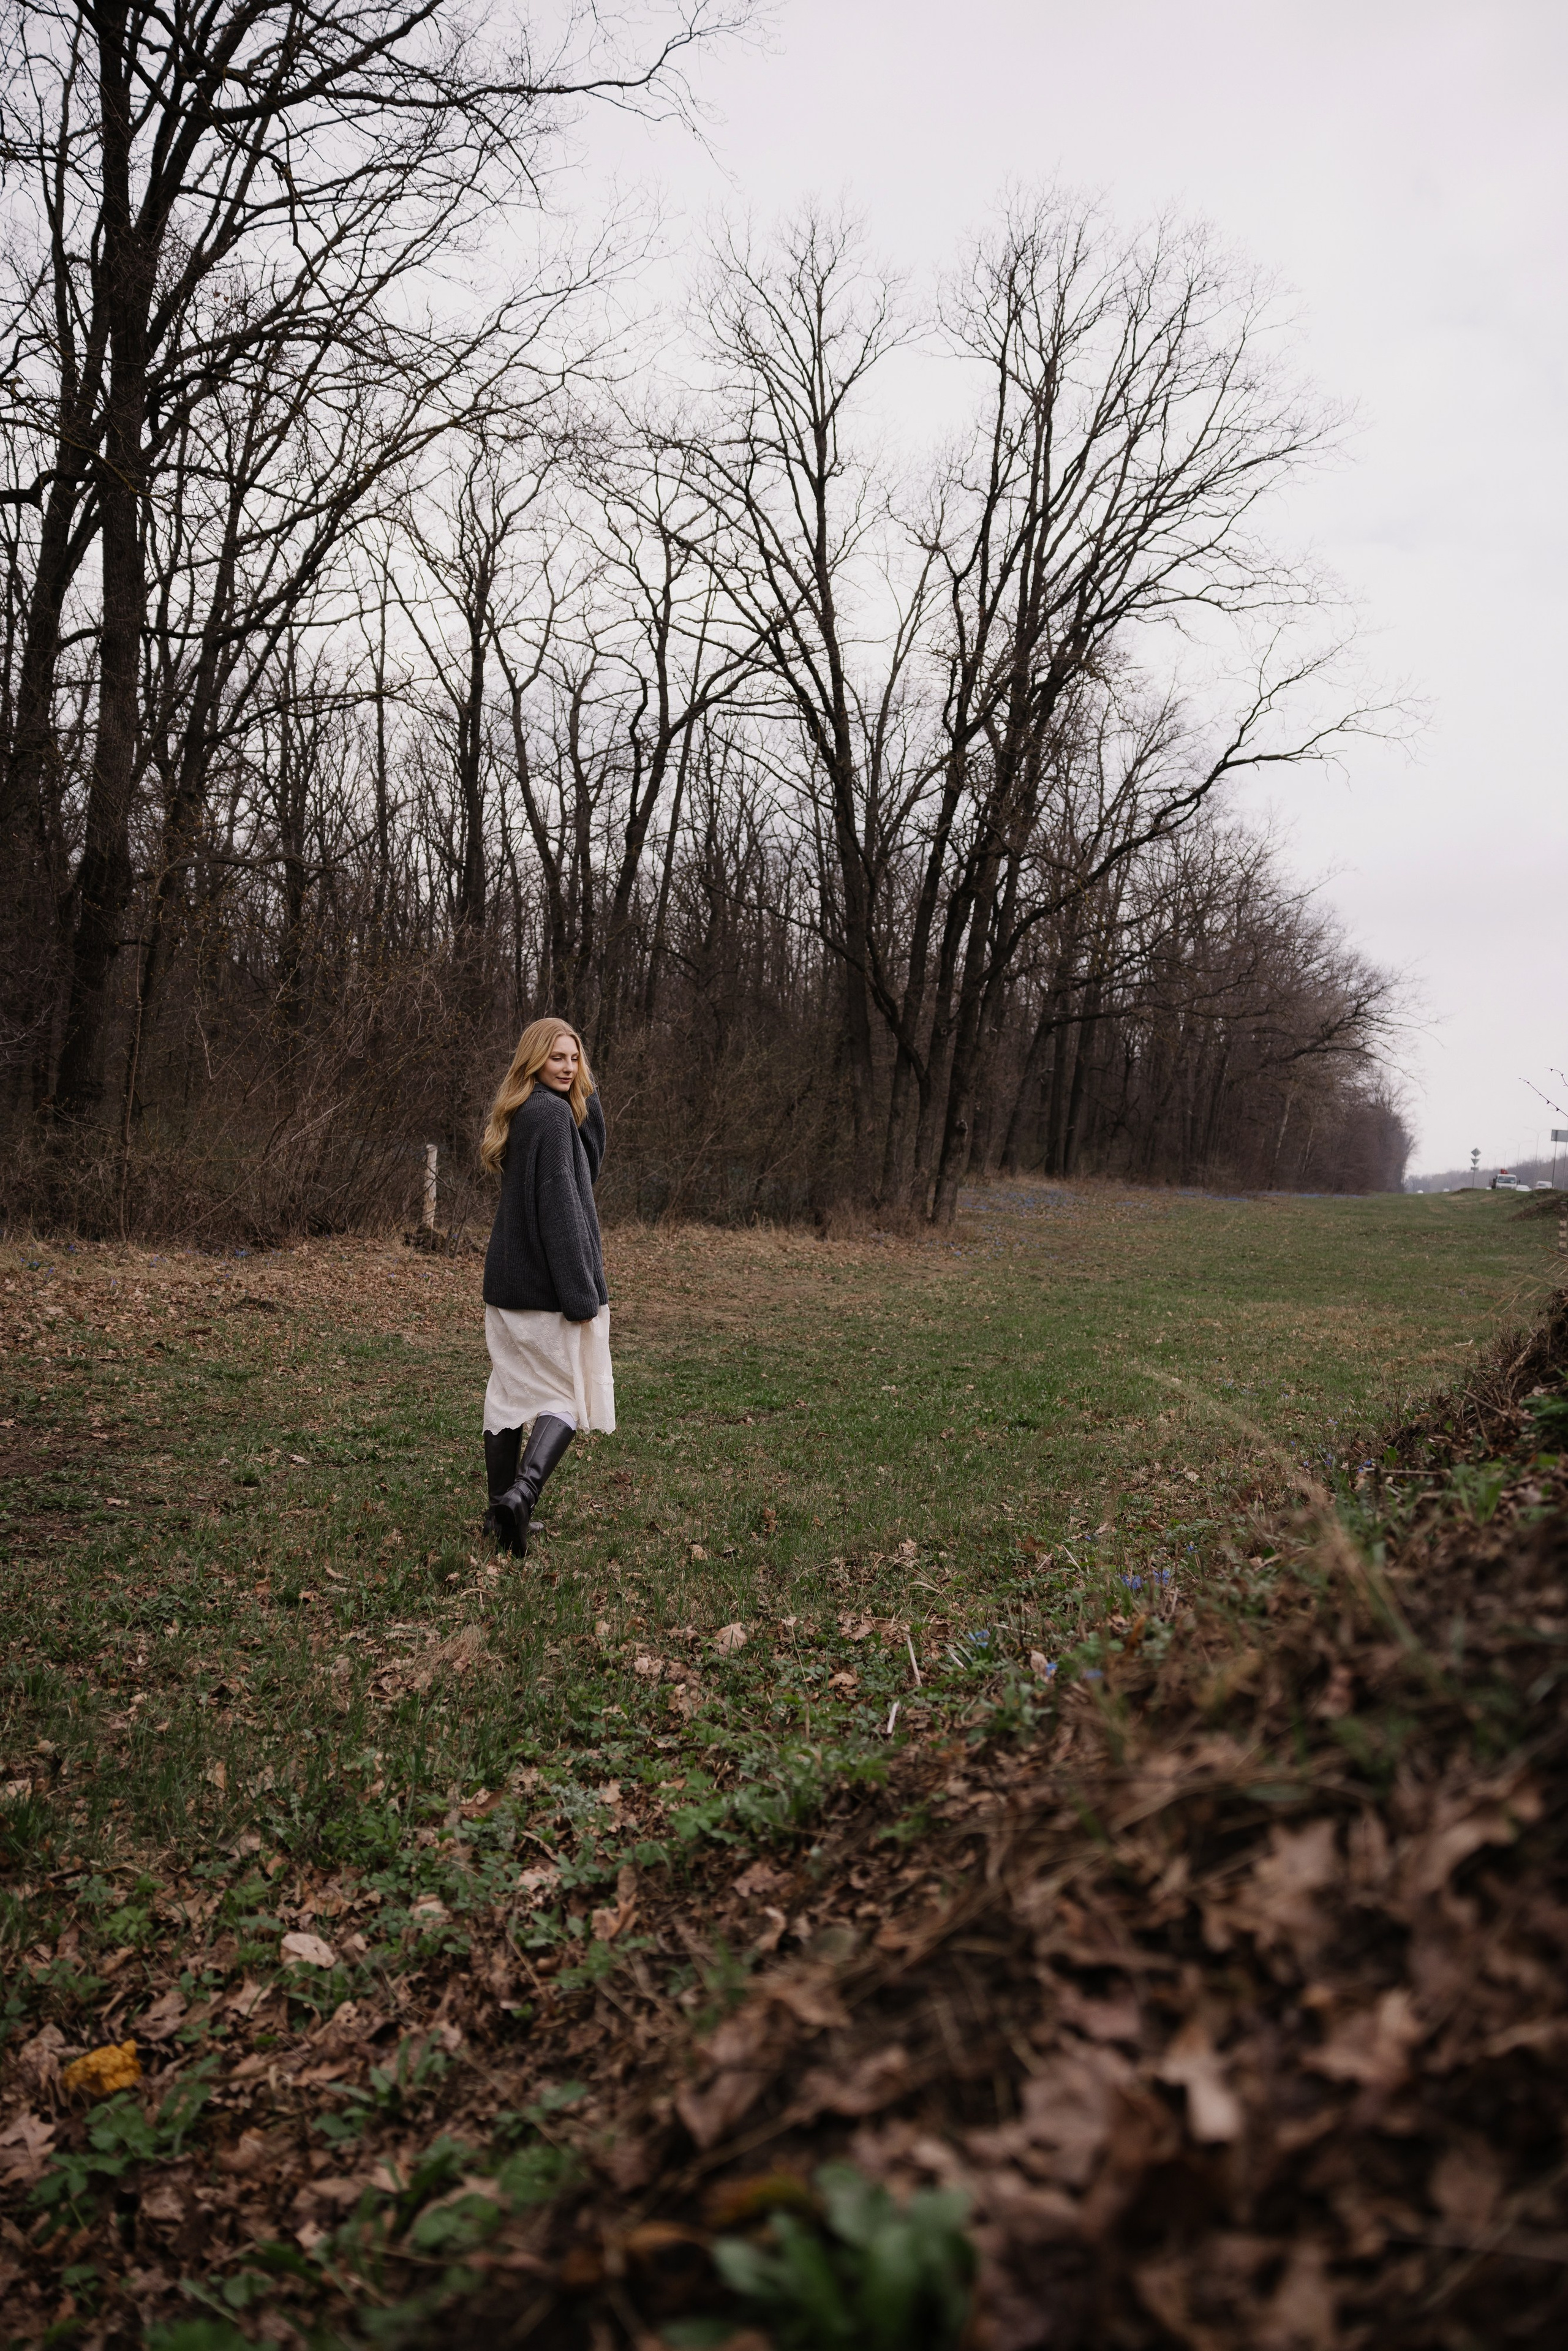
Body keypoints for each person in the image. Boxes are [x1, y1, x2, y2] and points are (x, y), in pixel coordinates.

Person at [478, 1018, 614, 1558]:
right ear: (535, 1060)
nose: (568, 1067)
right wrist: (581, 1295)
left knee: (508, 1395)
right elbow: (562, 1212)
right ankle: (521, 1496)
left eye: (575, 1058)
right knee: (565, 1397)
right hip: (545, 1290)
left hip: (506, 1287)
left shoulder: (524, 1111)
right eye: (557, 1058)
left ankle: (498, 1514)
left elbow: (589, 1166)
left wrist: (586, 1094)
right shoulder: (554, 1117)